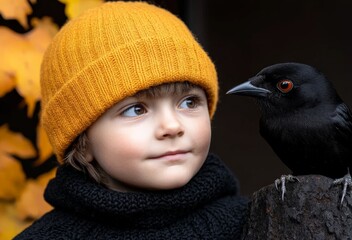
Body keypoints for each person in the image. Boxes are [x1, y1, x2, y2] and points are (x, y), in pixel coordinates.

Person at [14, 1, 248, 239]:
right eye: (136, 110)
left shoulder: (256, 221)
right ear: (82, 143)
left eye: (188, 102)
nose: (172, 126)